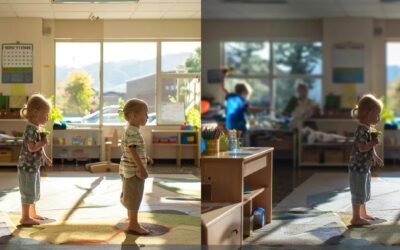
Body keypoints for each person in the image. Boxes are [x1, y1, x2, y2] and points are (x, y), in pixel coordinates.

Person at [348, 94, 384, 226]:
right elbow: (361, 148)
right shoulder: (361, 130)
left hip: (365, 167)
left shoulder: (369, 129)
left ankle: (363, 214)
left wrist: (375, 156)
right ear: (366, 113)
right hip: (357, 167)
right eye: (377, 114)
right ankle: (355, 217)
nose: (378, 118)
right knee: (358, 191)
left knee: (364, 190)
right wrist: (372, 143)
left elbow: (369, 149)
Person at [119, 98, 153, 235]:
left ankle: (130, 217)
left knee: (131, 194)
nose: (147, 117)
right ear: (133, 115)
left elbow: (133, 149)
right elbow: (132, 150)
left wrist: (146, 158)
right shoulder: (133, 131)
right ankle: (133, 224)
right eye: (145, 114)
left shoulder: (130, 130)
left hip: (127, 168)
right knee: (135, 196)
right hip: (134, 171)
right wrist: (142, 168)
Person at [18, 94, 52, 226]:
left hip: (34, 166)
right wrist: (42, 143)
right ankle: (25, 217)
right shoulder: (30, 129)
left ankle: (32, 213)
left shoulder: (37, 129)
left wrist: (45, 158)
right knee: (27, 191)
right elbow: (32, 148)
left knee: (33, 190)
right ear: (36, 113)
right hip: (26, 167)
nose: (47, 118)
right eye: (46, 114)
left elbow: (38, 149)